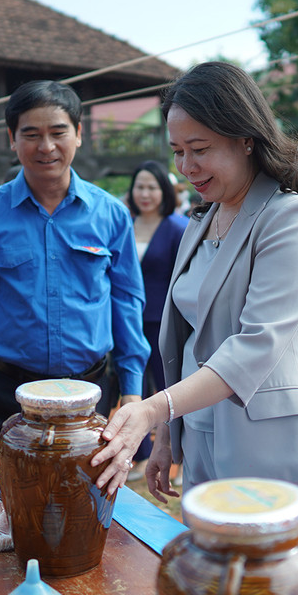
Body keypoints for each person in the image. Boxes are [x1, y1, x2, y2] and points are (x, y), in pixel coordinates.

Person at [90, 61, 298, 548]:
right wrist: (168, 430)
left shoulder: (290, 218)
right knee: (217, 594)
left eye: (200, 150)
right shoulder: (202, 219)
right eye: (178, 152)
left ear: (245, 137)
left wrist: (153, 409)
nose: (186, 168)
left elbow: (255, 346)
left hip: (274, 445)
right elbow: (185, 337)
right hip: (205, 433)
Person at [0, 81, 150, 450]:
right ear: (12, 139)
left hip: (90, 393)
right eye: (31, 134)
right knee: (18, 501)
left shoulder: (111, 214)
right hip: (10, 395)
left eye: (58, 132)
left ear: (78, 134)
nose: (46, 147)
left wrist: (132, 390)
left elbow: (126, 304)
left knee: (86, 500)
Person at [127, 160, 189, 465]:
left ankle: (173, 448)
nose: (145, 193)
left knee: (166, 388)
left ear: (164, 191)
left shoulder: (178, 227)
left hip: (163, 322)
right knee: (132, 388)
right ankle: (138, 454)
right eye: (140, 186)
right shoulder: (124, 223)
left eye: (152, 186)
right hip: (128, 322)